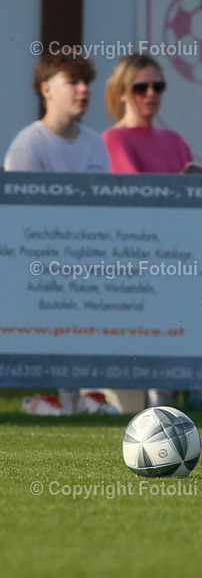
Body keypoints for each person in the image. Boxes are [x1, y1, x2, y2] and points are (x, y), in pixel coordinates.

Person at [103, 54, 202, 412]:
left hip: (182, 251)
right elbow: (139, 195)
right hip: (143, 255)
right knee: (165, 325)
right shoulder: (114, 138)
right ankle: (165, 405)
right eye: (140, 87)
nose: (150, 94)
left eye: (157, 86)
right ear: (123, 93)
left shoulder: (173, 139)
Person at [5, 53, 113, 415]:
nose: (83, 90)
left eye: (86, 83)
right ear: (46, 89)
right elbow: (24, 224)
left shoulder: (95, 143)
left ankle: (85, 395)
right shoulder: (27, 144)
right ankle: (53, 399)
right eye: (73, 82)